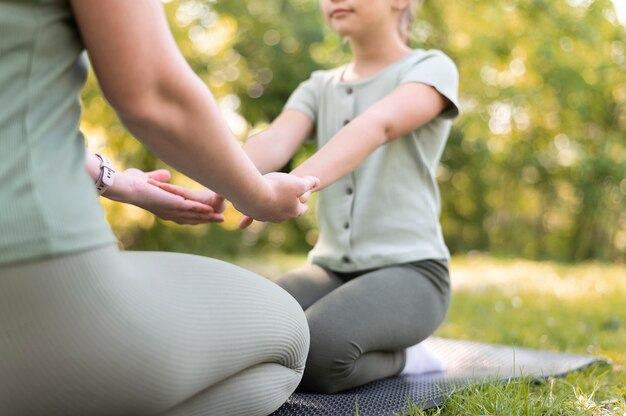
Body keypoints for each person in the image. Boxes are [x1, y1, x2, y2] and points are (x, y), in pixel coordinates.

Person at [0, 0, 320, 415]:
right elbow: (153, 93)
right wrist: (257, 195)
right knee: (289, 342)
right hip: (35, 288)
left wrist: (115, 180)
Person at [242, 0, 460, 393]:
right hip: (330, 270)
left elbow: (378, 125)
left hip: (414, 273)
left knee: (320, 350)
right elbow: (274, 141)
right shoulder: (319, 85)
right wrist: (219, 183)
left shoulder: (429, 68)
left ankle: (410, 357)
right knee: (251, 327)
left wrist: (294, 183)